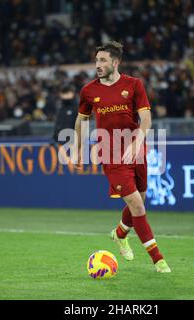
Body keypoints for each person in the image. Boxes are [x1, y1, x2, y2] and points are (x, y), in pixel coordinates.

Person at [74, 41, 171, 273]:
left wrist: (136, 143)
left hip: (136, 151)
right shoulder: (89, 91)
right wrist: (77, 148)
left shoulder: (134, 85)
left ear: (115, 62)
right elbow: (81, 120)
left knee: (141, 199)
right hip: (110, 154)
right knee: (137, 205)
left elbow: (146, 120)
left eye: (103, 60)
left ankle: (119, 234)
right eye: (96, 60)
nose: (98, 65)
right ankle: (158, 260)